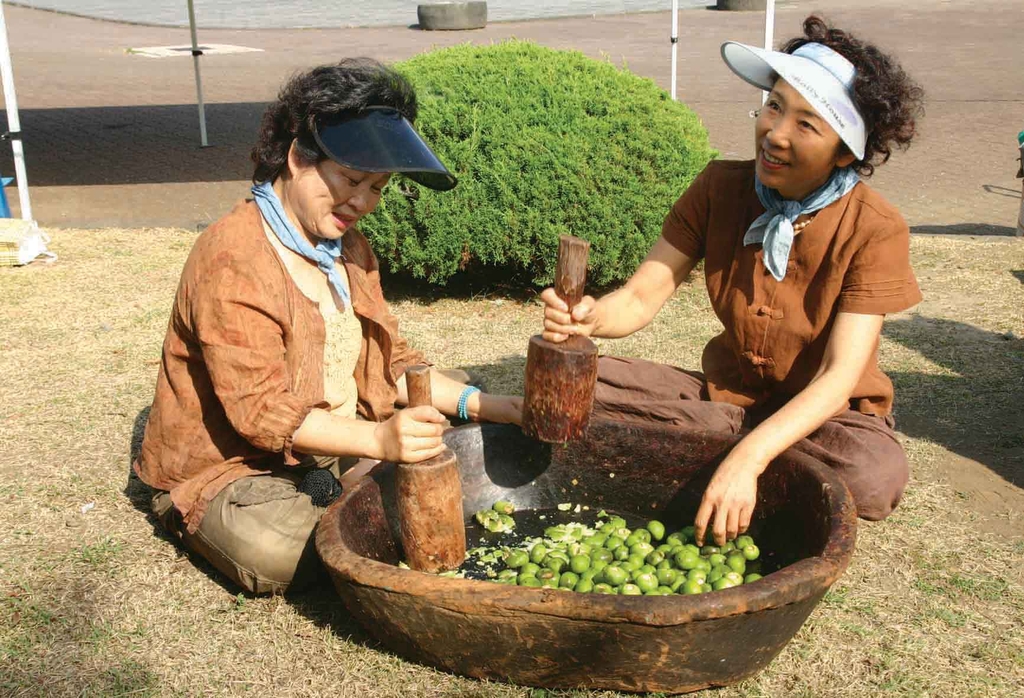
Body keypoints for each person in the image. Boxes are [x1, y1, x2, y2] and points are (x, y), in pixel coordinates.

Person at [135, 58, 522, 594]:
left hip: (335, 443)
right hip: (240, 465)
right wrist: (380, 440)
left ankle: (340, 485)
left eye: (378, 188)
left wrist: (495, 407)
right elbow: (258, 411)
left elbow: (393, 363)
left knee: (449, 431)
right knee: (278, 553)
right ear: (297, 158)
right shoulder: (233, 257)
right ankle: (336, 492)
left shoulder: (348, 247)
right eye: (351, 179)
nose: (361, 202)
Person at [540, 16, 924, 547]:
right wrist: (590, 316)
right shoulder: (718, 187)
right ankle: (733, 446)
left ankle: (718, 448)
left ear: (845, 152)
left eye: (807, 125)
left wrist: (749, 455)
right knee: (585, 385)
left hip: (826, 416)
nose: (776, 134)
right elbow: (640, 296)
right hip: (727, 397)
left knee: (872, 476)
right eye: (774, 106)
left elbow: (839, 375)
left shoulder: (875, 228)